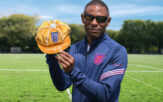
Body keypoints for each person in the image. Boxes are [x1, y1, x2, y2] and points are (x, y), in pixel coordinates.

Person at [46, 0, 128, 102]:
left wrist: (73, 71)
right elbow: (62, 85)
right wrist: (50, 55)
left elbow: (104, 93)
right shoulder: (75, 48)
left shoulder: (117, 51)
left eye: (101, 19)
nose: (94, 23)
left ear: (108, 21)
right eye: (89, 17)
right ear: (82, 18)